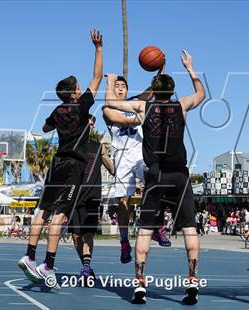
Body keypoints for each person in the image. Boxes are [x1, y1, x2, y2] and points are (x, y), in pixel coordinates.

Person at [105, 49, 206, 305]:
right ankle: (192, 283)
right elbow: (202, 95)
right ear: (172, 91)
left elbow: (111, 103)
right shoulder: (181, 106)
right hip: (179, 176)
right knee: (189, 229)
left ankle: (140, 287)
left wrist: (109, 82)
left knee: (145, 232)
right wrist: (191, 69)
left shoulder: (143, 107)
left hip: (155, 175)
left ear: (153, 88)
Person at [17, 29, 103, 287]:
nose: (80, 87)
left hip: (56, 163)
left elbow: (45, 128)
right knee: (59, 217)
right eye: (78, 86)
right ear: (75, 94)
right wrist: (98, 49)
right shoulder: (82, 106)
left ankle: (29, 255)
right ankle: (48, 265)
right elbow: (97, 77)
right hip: (74, 165)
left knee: (42, 211)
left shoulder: (56, 111)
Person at [103, 75, 171, 264]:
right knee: (123, 201)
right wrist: (142, 117)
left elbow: (151, 91)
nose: (120, 88)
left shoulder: (136, 102)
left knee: (154, 183)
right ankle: (124, 242)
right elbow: (124, 121)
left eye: (123, 85)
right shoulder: (107, 109)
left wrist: (160, 70)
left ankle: (156, 227)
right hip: (122, 156)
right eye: (116, 86)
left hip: (141, 152)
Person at [69, 115, 115, 281]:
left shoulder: (98, 147)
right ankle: (86, 265)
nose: (89, 127)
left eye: (91, 125)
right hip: (74, 197)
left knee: (87, 234)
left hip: (92, 197)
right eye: (87, 124)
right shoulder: (72, 146)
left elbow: (112, 169)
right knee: (75, 237)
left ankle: (86, 268)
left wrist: (112, 161)